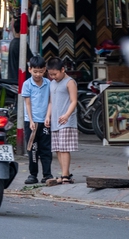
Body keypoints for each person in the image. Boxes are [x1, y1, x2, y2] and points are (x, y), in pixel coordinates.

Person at [21, 54, 53, 185]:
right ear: (30, 70)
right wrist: (31, 120)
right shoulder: (27, 84)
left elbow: (51, 102)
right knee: (32, 149)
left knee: (46, 149)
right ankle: (32, 174)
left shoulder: (49, 84)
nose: (38, 74)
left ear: (45, 70)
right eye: (35, 71)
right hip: (31, 121)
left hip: (45, 121)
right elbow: (27, 104)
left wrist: (48, 117)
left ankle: (47, 174)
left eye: (40, 71)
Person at [46, 57, 78, 185]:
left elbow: (74, 101)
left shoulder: (69, 82)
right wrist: (47, 116)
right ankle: (65, 173)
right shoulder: (52, 83)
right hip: (55, 120)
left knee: (64, 148)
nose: (53, 77)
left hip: (66, 121)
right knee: (58, 149)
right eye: (50, 74)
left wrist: (66, 115)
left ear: (63, 69)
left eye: (55, 74)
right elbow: (51, 102)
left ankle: (65, 175)